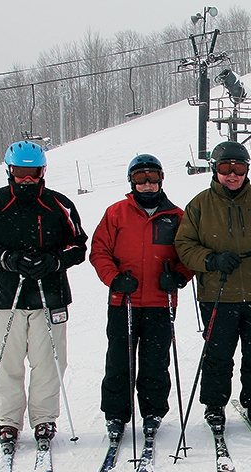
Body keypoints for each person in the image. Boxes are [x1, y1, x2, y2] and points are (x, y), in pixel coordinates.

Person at [0, 141, 87, 449]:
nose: (27, 179)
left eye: (33, 172)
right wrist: (3, 258)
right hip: (6, 295)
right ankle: (8, 421)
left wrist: (54, 260)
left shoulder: (58, 204)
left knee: (50, 361)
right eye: (21, 172)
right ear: (9, 170)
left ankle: (43, 419)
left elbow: (78, 245)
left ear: (42, 172)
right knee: (5, 361)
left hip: (49, 296)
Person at [175, 141, 251, 432]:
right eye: (226, 168)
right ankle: (214, 406)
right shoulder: (200, 204)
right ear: (215, 170)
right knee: (217, 355)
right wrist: (211, 260)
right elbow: (184, 245)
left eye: (239, 168)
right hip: (217, 294)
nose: (233, 174)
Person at [90, 154, 193, 441]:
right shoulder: (117, 213)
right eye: (140, 179)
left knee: (154, 361)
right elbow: (99, 251)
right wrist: (114, 278)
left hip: (160, 302)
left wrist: (179, 275)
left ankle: (152, 412)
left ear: (161, 180)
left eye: (152, 178)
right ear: (131, 182)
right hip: (124, 301)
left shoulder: (177, 216)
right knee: (119, 361)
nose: (147, 185)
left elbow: (189, 253)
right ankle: (116, 414)